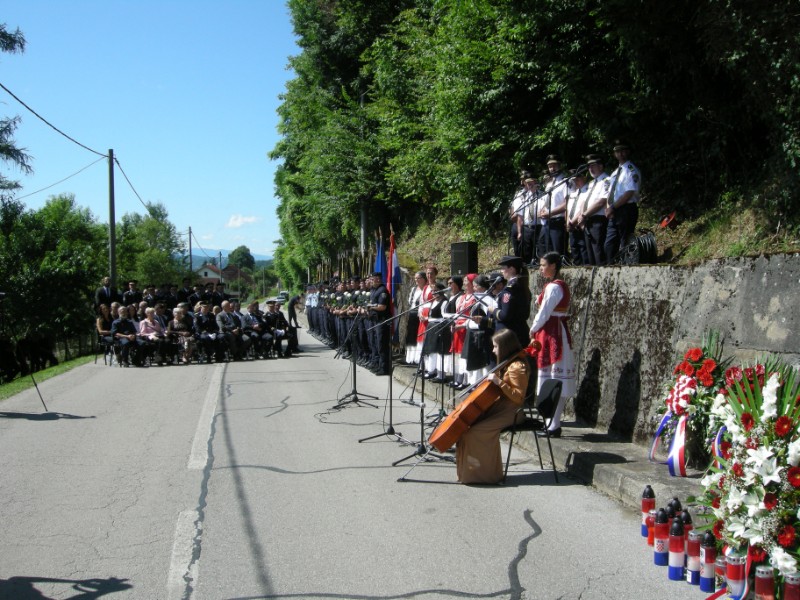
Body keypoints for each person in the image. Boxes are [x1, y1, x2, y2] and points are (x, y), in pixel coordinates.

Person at [455, 328, 530, 484]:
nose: (493, 350)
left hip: (512, 412)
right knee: (466, 428)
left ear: (505, 347)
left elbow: (518, 397)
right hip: (501, 408)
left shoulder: (517, 367)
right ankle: (470, 473)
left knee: (476, 432)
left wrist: (499, 382)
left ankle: (486, 475)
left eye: (496, 346)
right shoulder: (507, 364)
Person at [529, 251, 576, 437]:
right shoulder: (554, 286)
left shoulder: (554, 287)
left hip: (552, 334)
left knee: (554, 379)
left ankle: (554, 423)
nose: (541, 269)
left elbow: (545, 312)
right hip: (553, 332)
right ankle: (551, 422)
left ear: (553, 266)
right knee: (552, 378)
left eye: (543, 265)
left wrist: (533, 328)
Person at [602, 139, 642, 263]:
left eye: (623, 151)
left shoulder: (631, 170)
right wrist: (609, 208)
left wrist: (613, 207)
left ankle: (624, 266)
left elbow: (629, 193)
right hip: (614, 210)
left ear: (628, 152)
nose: (620, 154)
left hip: (626, 209)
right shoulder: (615, 172)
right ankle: (611, 268)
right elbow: (610, 193)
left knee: (624, 242)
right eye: (618, 151)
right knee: (609, 244)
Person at [479, 256, 531, 348]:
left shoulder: (510, 290)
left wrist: (493, 310)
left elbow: (505, 315)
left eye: (503, 268)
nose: (501, 271)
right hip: (520, 331)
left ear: (511, 269)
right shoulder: (522, 286)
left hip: (510, 335)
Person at [576, 153, 609, 265]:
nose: (590, 169)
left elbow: (601, 202)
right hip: (588, 221)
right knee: (590, 254)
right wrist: (581, 217)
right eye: (589, 166)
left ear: (601, 166)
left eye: (593, 166)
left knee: (598, 252)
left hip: (598, 220)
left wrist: (584, 215)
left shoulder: (606, 180)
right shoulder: (591, 184)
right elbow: (584, 201)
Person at [537, 155, 568, 257]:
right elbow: (546, 202)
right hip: (547, 222)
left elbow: (567, 203)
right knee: (544, 248)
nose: (552, 169)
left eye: (554, 165)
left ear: (560, 165)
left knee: (557, 250)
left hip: (558, 221)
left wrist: (550, 213)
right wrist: (541, 211)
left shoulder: (566, 181)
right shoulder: (549, 184)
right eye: (550, 166)